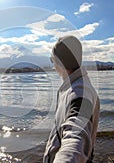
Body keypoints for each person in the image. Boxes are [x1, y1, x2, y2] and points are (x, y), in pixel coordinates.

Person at [43, 35, 100, 163]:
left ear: (59, 62)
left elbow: (76, 136)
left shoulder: (80, 93)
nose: (52, 65)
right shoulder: (73, 86)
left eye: (52, 60)